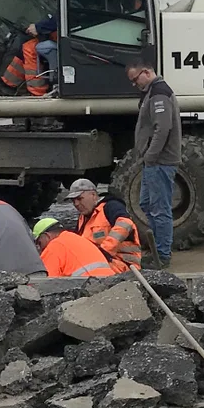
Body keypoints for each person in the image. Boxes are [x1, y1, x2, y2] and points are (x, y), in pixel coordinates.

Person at [126, 60, 180, 269]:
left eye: (135, 79)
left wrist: (150, 155)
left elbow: (162, 128)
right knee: (148, 204)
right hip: (155, 161)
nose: (134, 84)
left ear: (146, 72)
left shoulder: (159, 94)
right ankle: (159, 249)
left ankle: (163, 255)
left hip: (160, 161)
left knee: (159, 208)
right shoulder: (154, 93)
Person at [67, 178, 140, 272]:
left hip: (124, 265)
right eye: (73, 201)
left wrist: (104, 251)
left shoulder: (110, 206)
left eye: (79, 199)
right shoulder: (83, 217)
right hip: (99, 263)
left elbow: (126, 224)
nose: (76, 204)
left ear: (93, 195)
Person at [31, 217, 120, 278]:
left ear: (46, 236)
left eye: (39, 242)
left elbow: (44, 281)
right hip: (109, 281)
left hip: (89, 286)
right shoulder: (76, 238)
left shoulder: (55, 245)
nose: (40, 248)